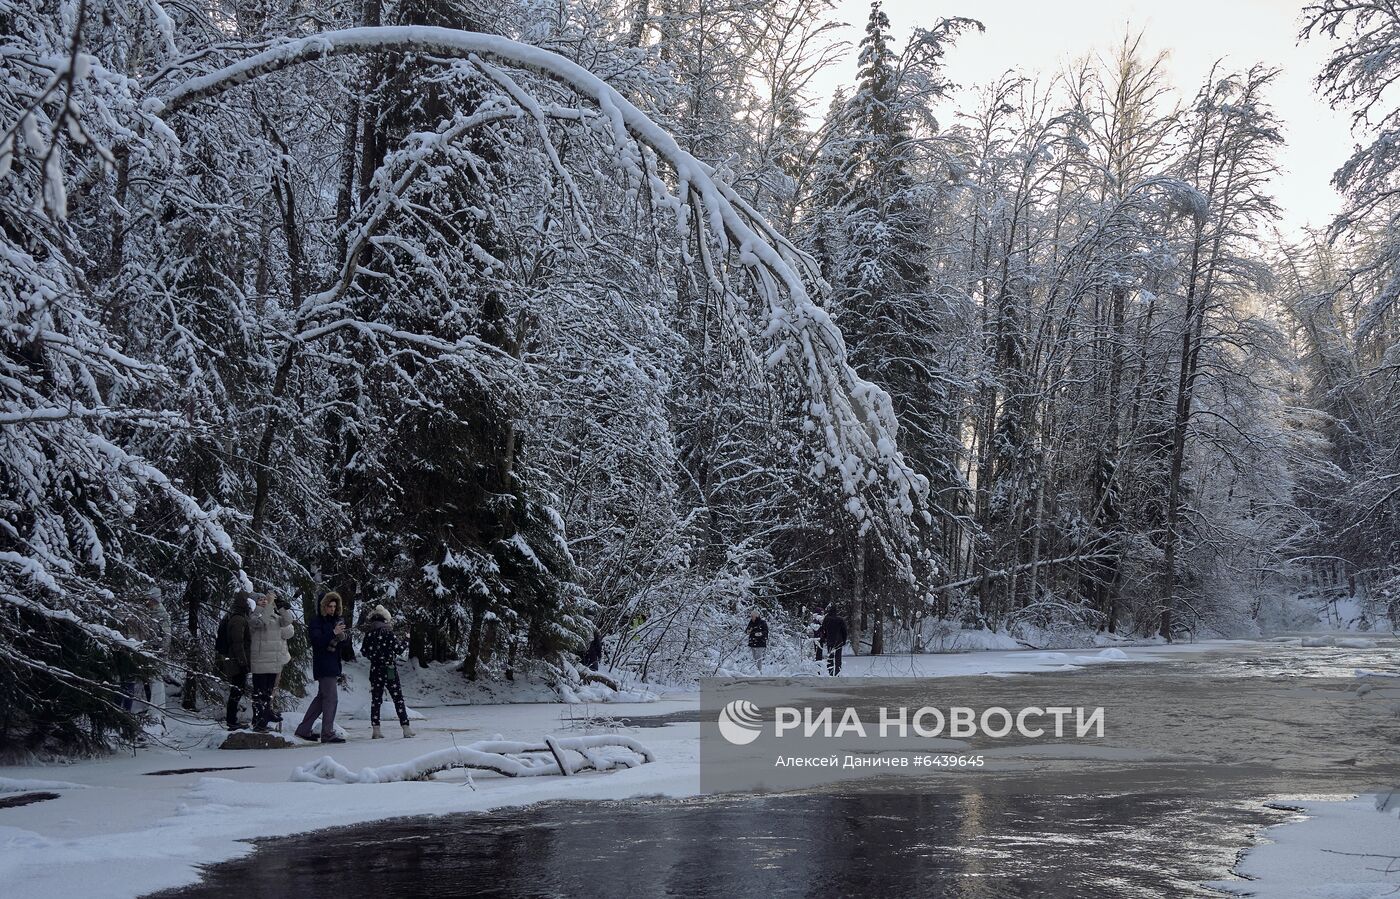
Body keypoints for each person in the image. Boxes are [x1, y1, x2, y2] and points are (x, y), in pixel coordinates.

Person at [295, 592, 348, 743]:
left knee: (321, 699)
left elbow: (342, 644)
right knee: (331, 699)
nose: (332, 609)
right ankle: (327, 733)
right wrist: (333, 633)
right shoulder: (316, 622)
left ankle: (303, 729)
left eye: (334, 606)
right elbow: (317, 642)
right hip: (324, 664)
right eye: (329, 606)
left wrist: (342, 637)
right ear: (323, 606)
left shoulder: (336, 621)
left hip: (332, 663)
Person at [360, 605, 414, 739]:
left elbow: (364, 651)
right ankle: (405, 728)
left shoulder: (369, 634)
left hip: (375, 669)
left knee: (376, 700)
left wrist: (375, 656)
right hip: (389, 668)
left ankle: (376, 730)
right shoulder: (387, 632)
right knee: (398, 698)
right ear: (385, 619)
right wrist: (406, 639)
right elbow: (399, 649)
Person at [249, 591, 294, 732]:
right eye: (260, 599)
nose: (264, 601)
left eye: (265, 599)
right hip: (261, 661)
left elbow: (287, 622)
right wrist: (269, 605)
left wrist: (282, 608)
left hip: (274, 661)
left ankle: (265, 716)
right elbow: (262, 622)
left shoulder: (274, 615)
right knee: (259, 693)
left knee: (268, 693)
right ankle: (258, 721)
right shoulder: (253, 615)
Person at [216, 593, 253, 729]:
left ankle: (232, 719)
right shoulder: (238, 619)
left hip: (234, 659)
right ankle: (231, 720)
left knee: (237, 690)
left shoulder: (235, 616)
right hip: (236, 661)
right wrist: (243, 663)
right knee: (236, 690)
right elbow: (238, 643)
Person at [815, 607, 848, 676]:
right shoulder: (840, 620)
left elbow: (823, 630)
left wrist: (823, 639)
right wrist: (844, 640)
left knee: (830, 658)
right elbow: (844, 631)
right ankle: (837, 673)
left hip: (830, 641)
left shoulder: (827, 619)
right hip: (839, 641)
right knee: (838, 658)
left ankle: (830, 672)